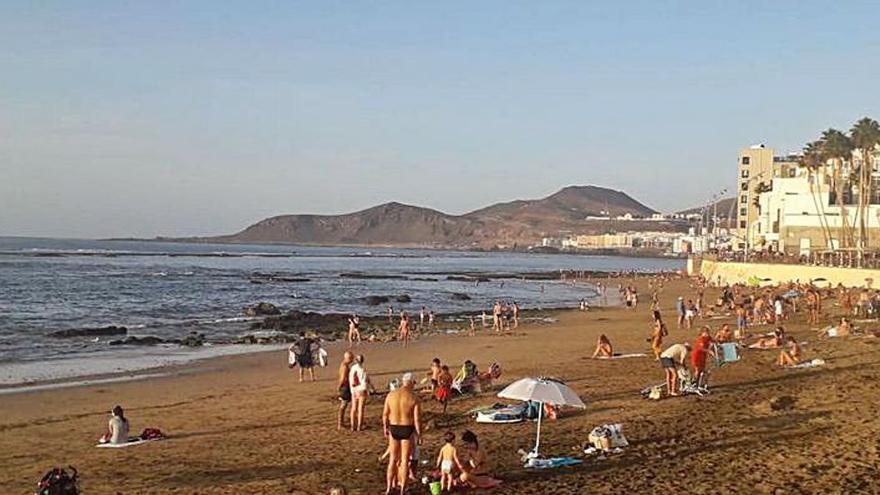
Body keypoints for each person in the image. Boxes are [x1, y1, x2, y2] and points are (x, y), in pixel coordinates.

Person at [383, 373, 421, 495]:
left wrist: (385, 427)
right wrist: (419, 434)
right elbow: (417, 420)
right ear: (410, 383)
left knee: (392, 459)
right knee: (404, 460)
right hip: (406, 428)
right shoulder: (413, 397)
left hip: (393, 427)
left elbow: (385, 414)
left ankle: (389, 488)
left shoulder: (391, 395)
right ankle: (403, 489)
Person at [349, 354, 368, 432]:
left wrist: (352, 390)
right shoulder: (363, 369)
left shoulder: (353, 368)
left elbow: (351, 380)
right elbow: (364, 381)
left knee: (353, 408)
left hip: (354, 390)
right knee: (361, 409)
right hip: (361, 390)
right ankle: (359, 426)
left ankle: (352, 426)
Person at [337, 351, 354, 430]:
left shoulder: (344, 365)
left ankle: (341, 423)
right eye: (351, 358)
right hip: (345, 387)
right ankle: (340, 424)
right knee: (343, 406)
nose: (352, 360)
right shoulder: (344, 366)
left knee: (344, 405)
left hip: (345, 387)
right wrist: (339, 387)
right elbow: (343, 378)